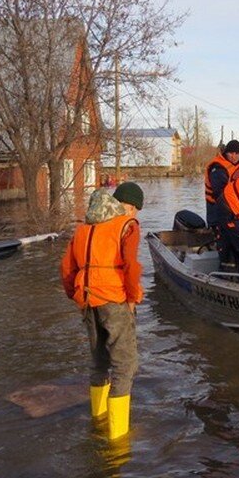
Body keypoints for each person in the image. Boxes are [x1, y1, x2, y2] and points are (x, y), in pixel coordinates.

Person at [60, 182, 144, 440]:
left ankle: (98, 421)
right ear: (127, 206)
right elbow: (130, 266)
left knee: (98, 362)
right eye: (135, 209)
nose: (135, 214)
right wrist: (132, 298)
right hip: (114, 300)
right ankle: (118, 438)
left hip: (87, 300)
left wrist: (76, 295)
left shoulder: (83, 228)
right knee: (125, 365)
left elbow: (66, 268)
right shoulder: (126, 225)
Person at [204, 139, 239, 228]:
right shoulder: (217, 168)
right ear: (226, 153)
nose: (234, 156)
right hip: (217, 213)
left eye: (237, 154)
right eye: (231, 153)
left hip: (233, 212)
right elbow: (220, 194)